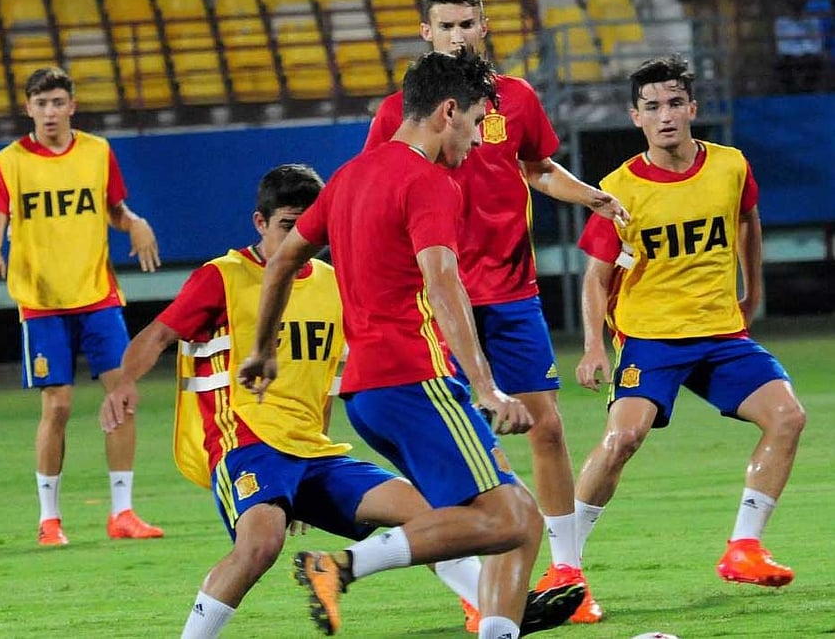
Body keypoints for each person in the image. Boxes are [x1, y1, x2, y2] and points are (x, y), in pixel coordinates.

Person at [100, 163, 574, 639]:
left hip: (313, 452)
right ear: (260, 223)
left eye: (309, 228)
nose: (297, 239)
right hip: (247, 441)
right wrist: (123, 382)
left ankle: (496, 606)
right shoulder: (223, 276)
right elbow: (158, 334)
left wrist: (306, 474)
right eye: (287, 226)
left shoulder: (333, 281)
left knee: (432, 514)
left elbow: (322, 378)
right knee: (260, 545)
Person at [239, 50, 584, 639]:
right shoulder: (428, 182)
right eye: (475, 123)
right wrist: (486, 387)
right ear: (448, 111)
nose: (478, 141)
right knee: (510, 519)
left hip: (367, 393)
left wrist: (263, 347)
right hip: (414, 380)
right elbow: (445, 285)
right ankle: (341, 566)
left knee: (511, 517)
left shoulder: (349, 176)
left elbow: (282, 261)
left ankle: (497, 628)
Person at [362, 0, 628, 624]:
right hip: (438, 301)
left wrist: (589, 192)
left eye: (466, 23)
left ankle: (568, 569)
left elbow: (537, 168)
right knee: (466, 451)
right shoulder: (400, 113)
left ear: (483, 26)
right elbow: (377, 190)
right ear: (426, 33)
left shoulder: (516, 97)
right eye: (444, 25)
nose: (457, 35)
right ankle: (483, 590)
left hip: (509, 291)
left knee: (548, 426)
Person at [573, 55, 806, 610]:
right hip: (649, 338)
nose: (666, 116)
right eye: (652, 107)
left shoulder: (730, 166)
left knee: (788, 416)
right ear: (636, 117)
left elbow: (747, 219)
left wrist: (753, 290)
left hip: (721, 334)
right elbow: (595, 276)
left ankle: (744, 547)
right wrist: (592, 346)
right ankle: (565, 566)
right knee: (622, 439)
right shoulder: (620, 188)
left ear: (692, 109)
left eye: (675, 103)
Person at [0, 67, 164, 546]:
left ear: (72, 105)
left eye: (58, 102)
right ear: (29, 108)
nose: (51, 112)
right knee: (57, 406)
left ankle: (122, 513)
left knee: (123, 398)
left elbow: (114, 210)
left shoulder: (98, 152)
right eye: (42, 104)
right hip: (42, 302)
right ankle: (49, 519)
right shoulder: (10, 161)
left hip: (96, 295)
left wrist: (135, 222)